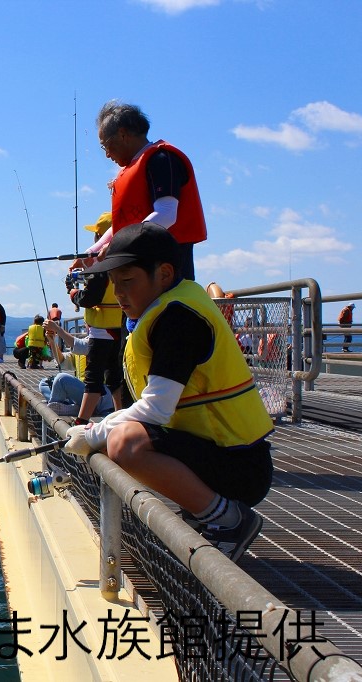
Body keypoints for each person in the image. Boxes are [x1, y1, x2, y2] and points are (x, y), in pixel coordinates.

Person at [63, 223, 273, 563]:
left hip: (240, 465)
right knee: (121, 435)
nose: (118, 293)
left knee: (124, 444)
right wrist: (92, 430)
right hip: (216, 451)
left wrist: (95, 435)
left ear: (163, 274)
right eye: (115, 283)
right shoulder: (169, 308)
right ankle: (204, 510)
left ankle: (228, 521)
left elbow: (157, 409)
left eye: (127, 281)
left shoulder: (178, 318)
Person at [83, 100, 207, 281]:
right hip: (137, 273)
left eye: (106, 145)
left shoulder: (161, 159)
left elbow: (166, 214)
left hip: (164, 271)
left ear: (123, 134)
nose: (107, 154)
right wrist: (91, 253)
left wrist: (119, 245)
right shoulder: (133, 167)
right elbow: (122, 225)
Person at [61, 211, 125, 426]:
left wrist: (72, 292)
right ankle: (120, 416)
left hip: (101, 330)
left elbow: (88, 299)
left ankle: (81, 421)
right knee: (115, 377)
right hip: (121, 327)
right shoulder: (122, 263)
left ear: (100, 236)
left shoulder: (101, 268)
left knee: (93, 379)